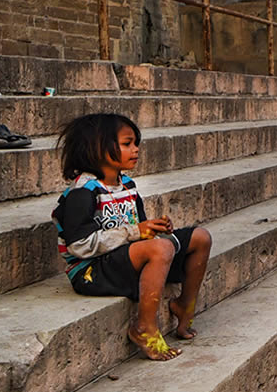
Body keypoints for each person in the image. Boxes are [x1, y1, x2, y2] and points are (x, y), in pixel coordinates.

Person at [52, 114, 213, 360]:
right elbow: (79, 246)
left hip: (122, 261)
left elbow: (136, 231)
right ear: (96, 147)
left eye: (135, 143)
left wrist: (154, 229)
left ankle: (184, 307)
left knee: (200, 237)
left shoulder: (127, 185)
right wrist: (137, 233)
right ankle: (144, 328)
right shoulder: (82, 192)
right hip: (90, 271)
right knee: (160, 250)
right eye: (127, 144)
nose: (136, 149)